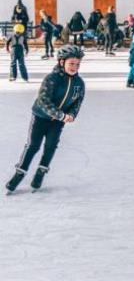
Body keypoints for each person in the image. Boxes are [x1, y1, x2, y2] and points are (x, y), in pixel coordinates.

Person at [5, 45, 86, 193]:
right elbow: (43, 101)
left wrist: (72, 115)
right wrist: (60, 114)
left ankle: (40, 172)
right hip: (40, 118)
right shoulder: (52, 79)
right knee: (33, 145)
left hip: (57, 123)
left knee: (50, 146)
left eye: (77, 64)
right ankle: (20, 173)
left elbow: (77, 103)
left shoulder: (79, 84)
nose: (75, 67)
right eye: (71, 63)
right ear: (62, 62)